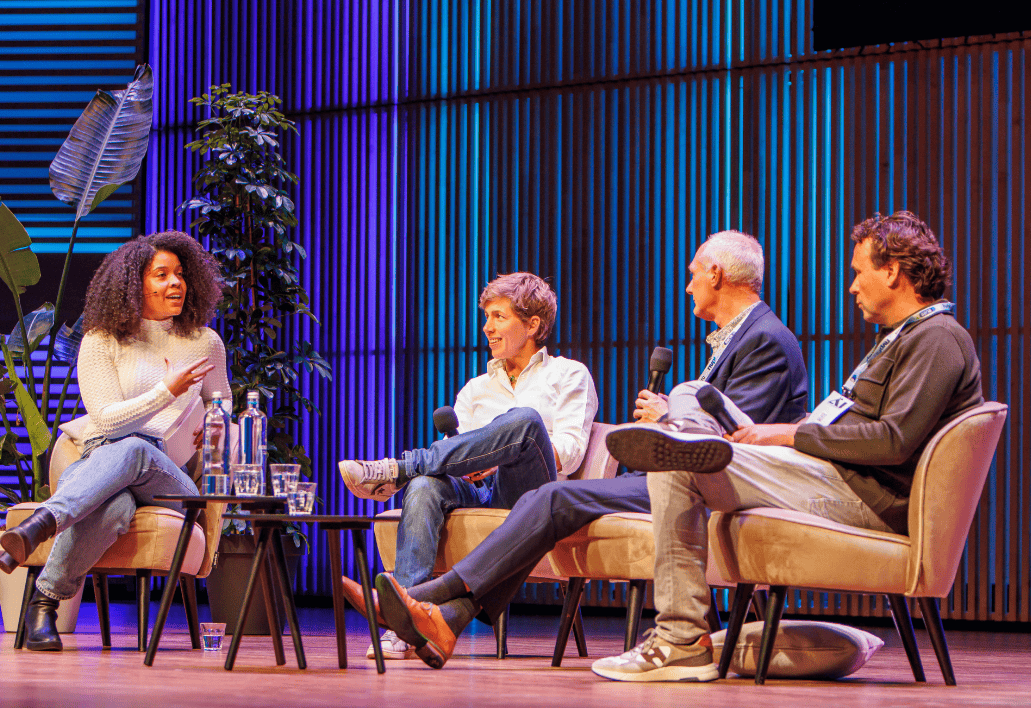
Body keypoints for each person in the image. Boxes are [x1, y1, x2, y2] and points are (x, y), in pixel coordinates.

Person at [348, 231, 810, 670]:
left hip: (706, 486)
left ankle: (423, 591)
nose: (688, 286)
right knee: (466, 489)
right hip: (669, 480)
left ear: (716, 274)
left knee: (543, 474)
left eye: (692, 274)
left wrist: (668, 417)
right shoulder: (741, 338)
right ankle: (444, 621)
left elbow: (734, 440)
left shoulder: (765, 339)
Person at [588, 210, 983, 682]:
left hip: (865, 495)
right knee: (691, 393)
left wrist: (788, 434)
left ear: (893, 272)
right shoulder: (902, 338)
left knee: (678, 465)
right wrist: (792, 433)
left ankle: (680, 640)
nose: (852, 286)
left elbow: (893, 441)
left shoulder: (937, 338)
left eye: (859, 272)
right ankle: (689, 433)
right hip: (834, 473)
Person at [338, 272, 599, 660]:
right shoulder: (477, 388)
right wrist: (471, 466)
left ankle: (401, 468)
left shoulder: (568, 374)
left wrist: (500, 456)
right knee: (425, 484)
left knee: (525, 421)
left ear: (532, 325)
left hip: (535, 493)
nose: (487, 327)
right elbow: (457, 452)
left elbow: (571, 450)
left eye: (498, 317)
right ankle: (405, 617)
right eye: (486, 317)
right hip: (480, 494)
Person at [0, 232, 229, 652]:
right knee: (116, 504)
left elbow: (222, 399)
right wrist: (167, 391)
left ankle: (43, 522)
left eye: (180, 274)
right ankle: (43, 605)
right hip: (105, 460)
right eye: (161, 275)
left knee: (138, 449)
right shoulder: (101, 340)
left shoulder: (205, 342)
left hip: (168, 480)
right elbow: (105, 420)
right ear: (133, 283)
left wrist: (218, 422)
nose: (176, 282)